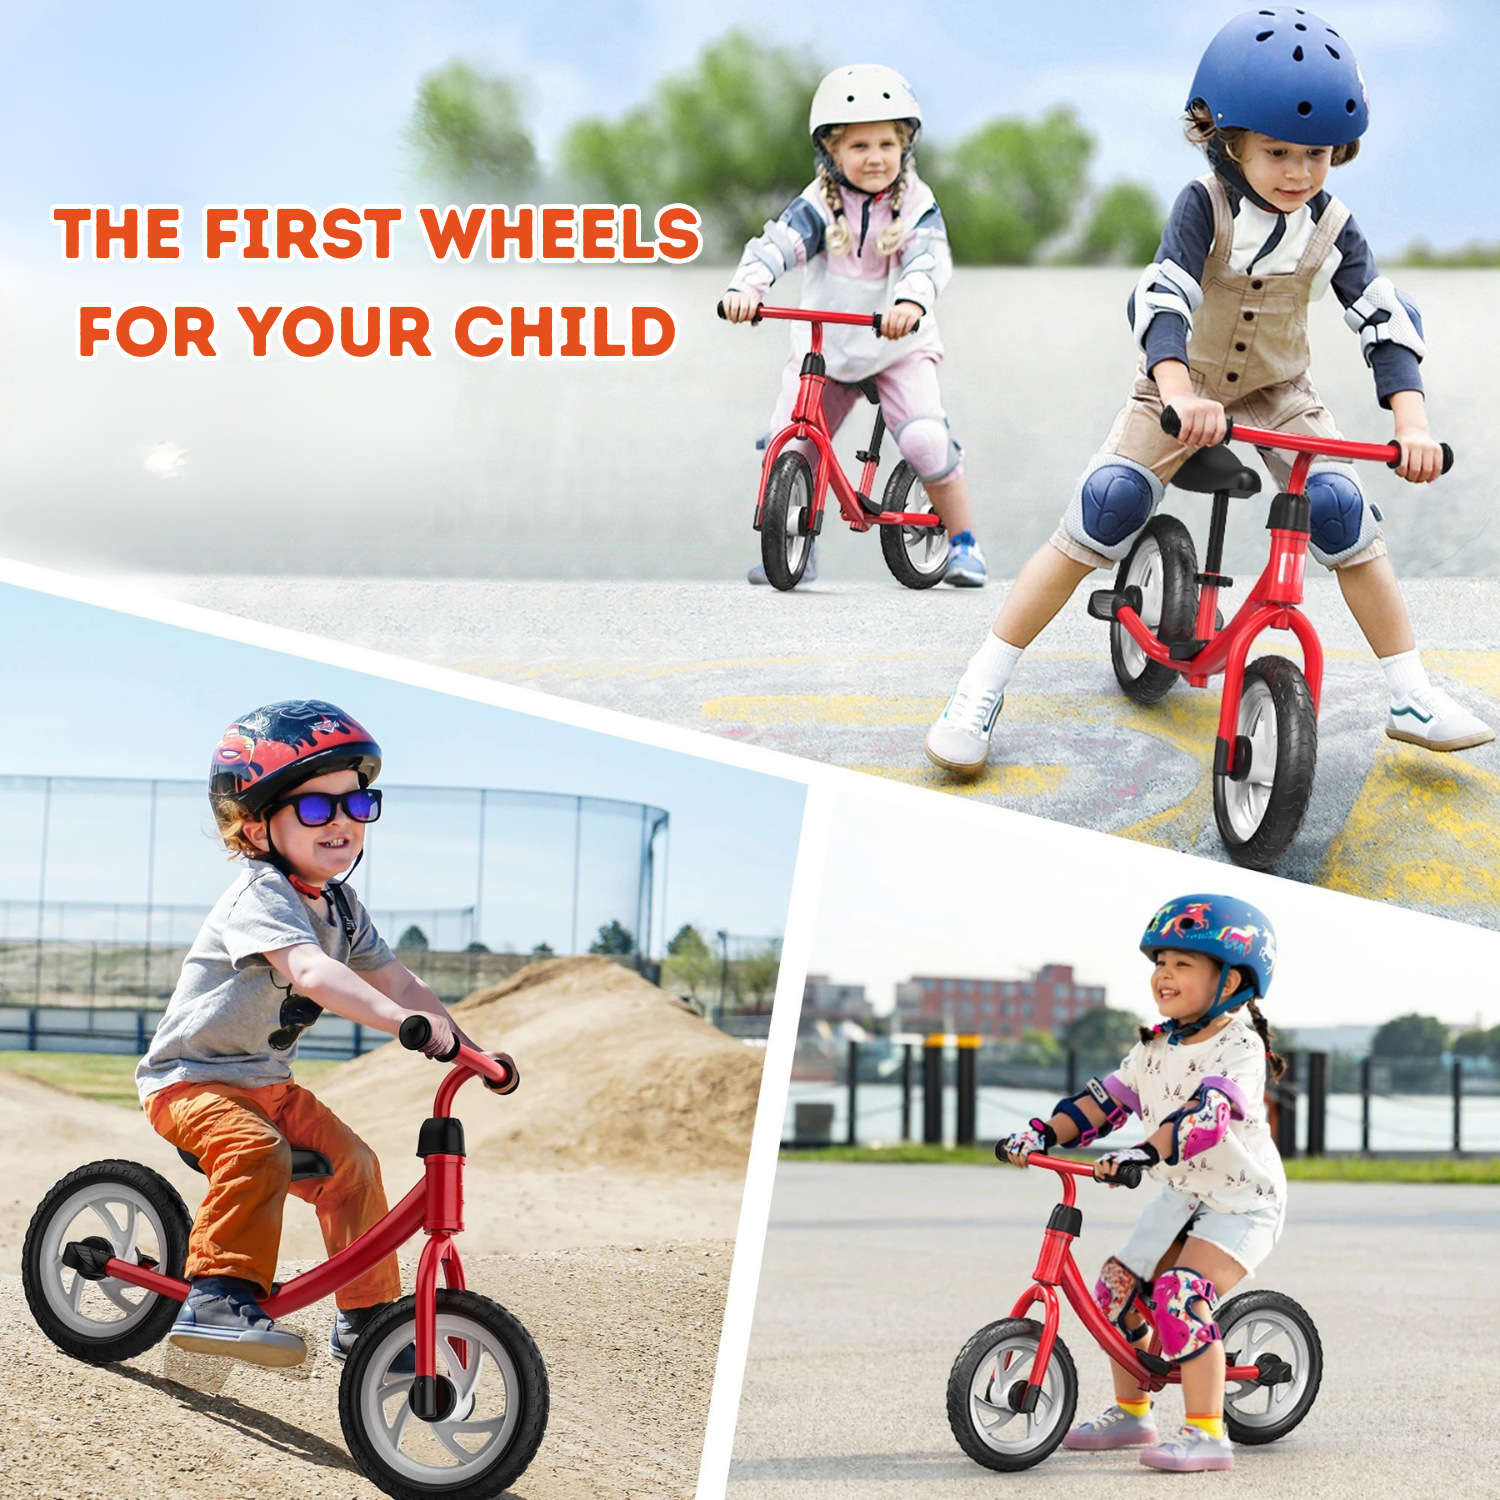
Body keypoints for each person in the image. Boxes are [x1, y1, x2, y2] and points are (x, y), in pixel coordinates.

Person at [926, 7, 1491, 772]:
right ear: (1228, 141)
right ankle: (980, 684)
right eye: (1278, 152)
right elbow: (1164, 300)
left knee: (1344, 513)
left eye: (1318, 153)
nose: (1299, 172)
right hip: (1179, 382)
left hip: (1278, 389)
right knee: (1106, 507)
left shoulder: (1333, 226)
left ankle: (1411, 693)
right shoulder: (1204, 205)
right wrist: (1176, 392)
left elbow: (1383, 321)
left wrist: (1413, 423)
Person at [136, 700, 488, 1367]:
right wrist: (400, 1026)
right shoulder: (261, 894)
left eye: (357, 806)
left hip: (266, 1084)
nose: (343, 824)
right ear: (255, 823)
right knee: (256, 1152)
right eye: (318, 809)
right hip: (191, 1082)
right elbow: (311, 970)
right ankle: (215, 1296)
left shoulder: (342, 905)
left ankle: (366, 1319)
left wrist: (466, 1046)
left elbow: (399, 980)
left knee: (354, 1165)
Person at [1001, 893, 1285, 1472]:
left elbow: (1206, 1118)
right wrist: (1040, 1135)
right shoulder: (1154, 1046)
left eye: (1184, 964)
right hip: (1183, 1196)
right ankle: (1133, 1414)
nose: (1165, 975)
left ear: (1231, 981)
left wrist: (1139, 1151)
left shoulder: (1239, 1048)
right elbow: (1101, 1103)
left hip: (1240, 1203)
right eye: (1160, 963)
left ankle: (1208, 1433)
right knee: (1114, 1288)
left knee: (1181, 1296)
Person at [723, 62, 985, 587]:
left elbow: (928, 260)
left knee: (926, 442)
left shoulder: (914, 203)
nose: (875, 158)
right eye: (859, 147)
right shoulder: (820, 203)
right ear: (832, 153)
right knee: (790, 442)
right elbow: (780, 244)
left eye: (887, 145)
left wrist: (910, 301)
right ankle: (797, 542)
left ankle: (963, 543)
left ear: (905, 147)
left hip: (897, 347)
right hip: (830, 345)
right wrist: (747, 288)